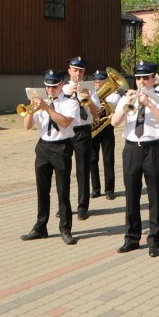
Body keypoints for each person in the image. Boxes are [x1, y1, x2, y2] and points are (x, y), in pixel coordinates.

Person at [110, 61, 159, 257]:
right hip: (131, 149)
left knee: (155, 196)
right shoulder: (126, 97)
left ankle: (154, 240)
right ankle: (131, 238)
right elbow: (114, 122)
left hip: (153, 148)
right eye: (138, 78)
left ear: (154, 78)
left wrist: (149, 104)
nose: (142, 81)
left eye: (146, 77)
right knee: (132, 195)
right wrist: (127, 104)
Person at [20, 70, 80, 245]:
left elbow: (65, 122)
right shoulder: (42, 102)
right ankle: (40, 227)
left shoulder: (70, 102)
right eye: (47, 86)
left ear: (62, 85)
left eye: (54, 86)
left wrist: (47, 108)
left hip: (61, 147)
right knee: (42, 189)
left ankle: (65, 228)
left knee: (63, 190)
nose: (50, 90)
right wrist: (30, 109)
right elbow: (27, 126)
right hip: (43, 147)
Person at [63, 56, 100, 220]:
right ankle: (64, 207)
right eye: (75, 70)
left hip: (83, 131)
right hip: (66, 131)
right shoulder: (62, 89)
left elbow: (96, 112)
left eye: (81, 70)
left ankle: (82, 206)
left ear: (84, 72)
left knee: (83, 170)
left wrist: (88, 98)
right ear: (69, 71)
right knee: (63, 171)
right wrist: (68, 95)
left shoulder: (90, 89)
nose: (77, 73)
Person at [90, 69, 120, 200]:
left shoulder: (115, 96)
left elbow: (118, 112)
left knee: (108, 160)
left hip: (107, 129)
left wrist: (113, 113)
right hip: (94, 130)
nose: (97, 85)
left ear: (105, 82)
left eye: (100, 82)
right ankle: (95, 189)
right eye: (96, 82)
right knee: (92, 160)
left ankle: (109, 189)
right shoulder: (91, 95)